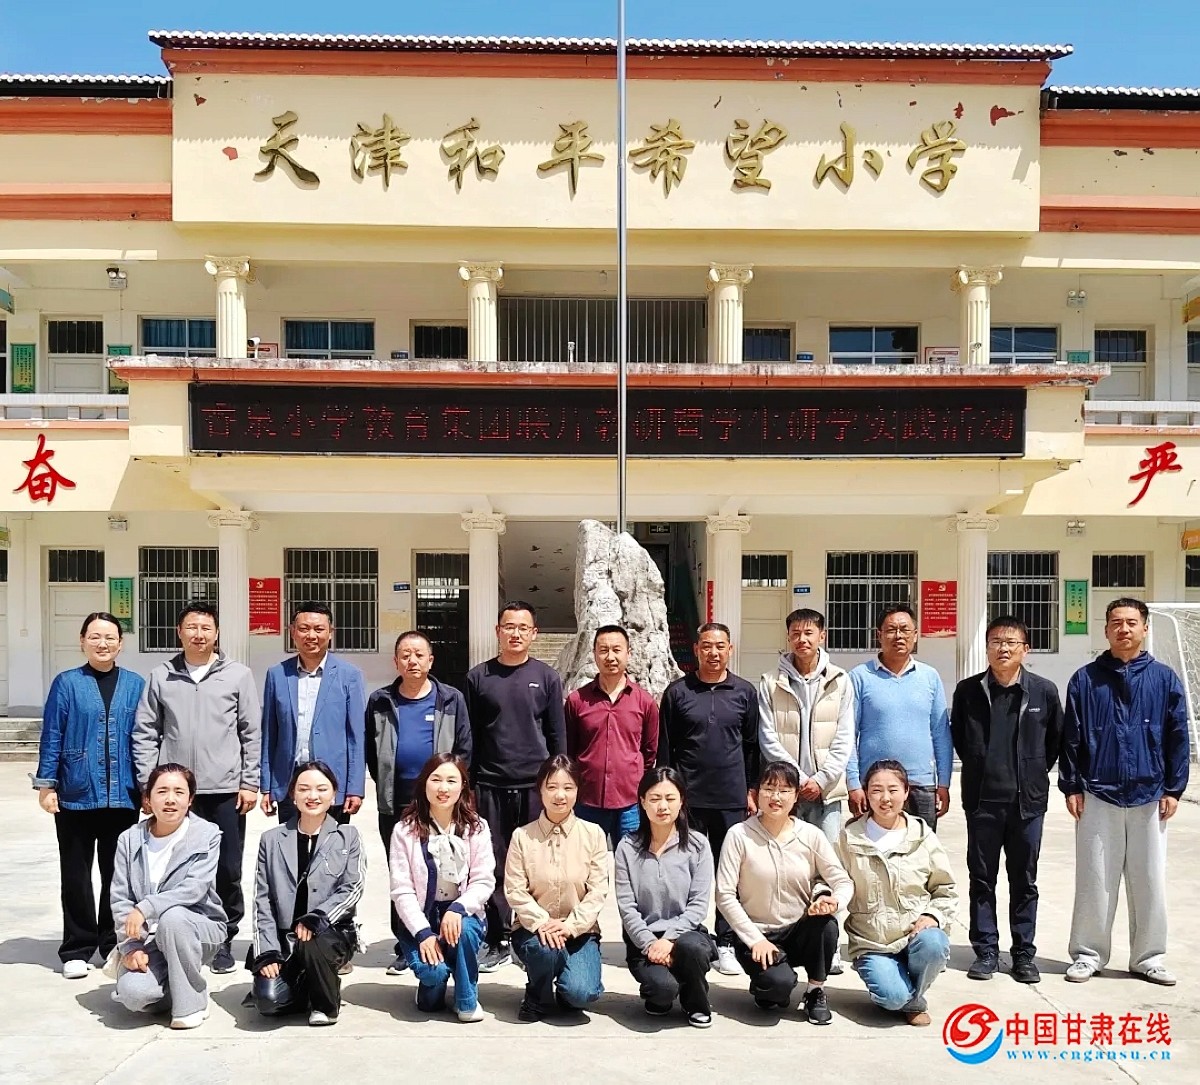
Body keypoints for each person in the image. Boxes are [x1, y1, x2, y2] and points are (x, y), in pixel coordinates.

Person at [1059, 597, 1189, 986]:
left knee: (1149, 880)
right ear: (1106, 630)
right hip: (1098, 793)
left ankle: (1149, 957)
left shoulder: (1164, 679)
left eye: (1132, 622)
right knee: (1094, 880)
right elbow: (1071, 738)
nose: (1124, 629)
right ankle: (1088, 954)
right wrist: (1072, 785)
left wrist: (1174, 788)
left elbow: (1177, 736)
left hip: (1151, 794)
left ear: (1145, 628)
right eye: (1116, 622)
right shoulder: (1085, 680)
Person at [132, 600, 261, 975]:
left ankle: (222, 938)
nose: (199, 634)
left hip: (224, 789)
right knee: (176, 866)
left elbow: (251, 733)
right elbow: (145, 732)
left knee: (227, 868)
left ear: (216, 633)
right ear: (179, 632)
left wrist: (249, 781)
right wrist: (149, 784)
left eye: (206, 628)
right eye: (191, 627)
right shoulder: (162, 676)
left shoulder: (237, 675)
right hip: (175, 793)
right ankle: (176, 935)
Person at [950, 615, 1063, 984]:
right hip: (982, 803)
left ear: (1025, 650)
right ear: (987, 648)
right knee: (982, 879)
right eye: (996, 641)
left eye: (1011, 642)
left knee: (1024, 881)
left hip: (1027, 805)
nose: (1003, 648)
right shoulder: (968, 691)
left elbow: (1054, 742)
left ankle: (1023, 955)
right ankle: (986, 951)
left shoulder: (1043, 692)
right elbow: (960, 740)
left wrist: (1031, 772)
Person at [33, 612, 145, 979]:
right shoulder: (67, 683)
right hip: (76, 793)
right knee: (76, 874)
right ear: (82, 641)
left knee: (118, 875)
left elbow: (144, 738)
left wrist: (147, 787)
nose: (102, 643)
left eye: (110, 637)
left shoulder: (135, 684)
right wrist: (46, 784)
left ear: (120, 644)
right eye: (94, 636)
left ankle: (113, 943)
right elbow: (52, 734)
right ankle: (77, 948)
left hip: (123, 795)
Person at [466, 601, 566, 972]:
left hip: (534, 787)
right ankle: (496, 937)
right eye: (509, 626)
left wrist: (558, 784)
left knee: (535, 864)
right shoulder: (479, 677)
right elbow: (470, 735)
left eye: (523, 627)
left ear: (534, 633)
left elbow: (556, 734)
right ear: (498, 631)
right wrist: (468, 785)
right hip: (490, 783)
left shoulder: (547, 677)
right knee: (492, 862)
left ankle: (529, 935)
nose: (516, 633)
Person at [367, 630, 472, 976]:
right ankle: (406, 943)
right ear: (396, 661)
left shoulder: (451, 699)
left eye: (419, 655)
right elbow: (372, 751)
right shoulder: (381, 701)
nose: (412, 661)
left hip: (441, 803)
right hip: (396, 802)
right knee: (403, 874)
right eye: (405, 655)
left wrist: (448, 789)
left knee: (444, 869)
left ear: (430, 660)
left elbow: (464, 749)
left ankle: (446, 935)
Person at [715, 760, 851, 1025]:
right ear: (757, 794)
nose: (775, 797)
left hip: (797, 930)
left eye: (784, 790)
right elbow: (724, 895)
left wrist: (835, 901)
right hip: (758, 934)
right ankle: (769, 983)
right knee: (776, 989)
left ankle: (815, 991)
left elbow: (842, 881)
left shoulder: (810, 835)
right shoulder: (739, 835)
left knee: (827, 926)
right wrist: (755, 939)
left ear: (796, 796)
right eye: (768, 788)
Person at [658, 622, 759, 976]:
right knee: (685, 872)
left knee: (728, 875)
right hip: (688, 801)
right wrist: (668, 796)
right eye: (706, 646)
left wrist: (751, 789)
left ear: (729, 649)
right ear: (697, 650)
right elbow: (666, 749)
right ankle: (689, 937)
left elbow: (752, 746)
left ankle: (727, 940)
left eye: (720, 646)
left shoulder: (744, 692)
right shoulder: (677, 692)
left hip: (730, 799)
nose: (713, 653)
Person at [757, 606, 855, 973]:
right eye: (796, 633)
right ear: (788, 637)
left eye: (809, 632)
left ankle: (828, 943)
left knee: (828, 867)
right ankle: (792, 937)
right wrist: (798, 781)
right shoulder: (770, 682)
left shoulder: (841, 680)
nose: (802, 639)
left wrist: (823, 778)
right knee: (787, 867)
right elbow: (768, 737)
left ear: (822, 636)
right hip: (786, 793)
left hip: (828, 793)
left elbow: (845, 736)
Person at [837, 759, 958, 1027]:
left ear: (906, 792)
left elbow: (945, 889)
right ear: (866, 793)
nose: (885, 798)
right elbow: (830, 879)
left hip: (915, 936)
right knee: (892, 998)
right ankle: (902, 993)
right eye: (876, 790)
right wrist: (825, 897)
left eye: (893, 790)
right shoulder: (849, 838)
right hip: (873, 942)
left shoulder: (923, 836)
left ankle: (913, 1000)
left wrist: (933, 916)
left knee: (934, 943)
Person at [109, 763, 227, 1030]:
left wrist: (146, 907)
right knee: (134, 996)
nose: (170, 799)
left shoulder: (206, 834)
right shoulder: (129, 839)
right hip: (149, 937)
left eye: (179, 792)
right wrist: (130, 946)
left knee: (173, 918)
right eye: (162, 791)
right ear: (148, 799)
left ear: (190, 799)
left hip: (198, 927)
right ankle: (182, 982)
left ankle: (192, 1005)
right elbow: (120, 897)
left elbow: (194, 889)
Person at [249, 760, 366, 1026]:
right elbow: (262, 900)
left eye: (321, 789)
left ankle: (326, 1004)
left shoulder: (348, 836)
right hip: (285, 940)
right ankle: (306, 985)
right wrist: (266, 951)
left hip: (330, 935)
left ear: (333, 795)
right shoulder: (271, 839)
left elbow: (353, 887)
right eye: (304, 789)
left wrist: (318, 918)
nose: (312, 796)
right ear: (293, 795)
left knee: (313, 939)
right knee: (269, 1002)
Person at [388, 753, 494, 1022]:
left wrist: (459, 908)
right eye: (435, 779)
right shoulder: (404, 830)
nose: (443, 788)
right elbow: (402, 890)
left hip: (461, 913)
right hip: (422, 918)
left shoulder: (476, 828)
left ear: (463, 786)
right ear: (424, 783)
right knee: (433, 980)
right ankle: (431, 987)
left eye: (451, 781)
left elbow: (483, 880)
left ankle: (466, 1000)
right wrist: (423, 932)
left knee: (464, 931)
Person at [504, 755, 608, 1021]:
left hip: (580, 931)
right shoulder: (522, 836)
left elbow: (598, 891)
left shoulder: (593, 834)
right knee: (545, 950)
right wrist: (542, 923)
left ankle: (564, 982)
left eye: (568, 787)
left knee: (581, 994)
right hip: (534, 931)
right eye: (551, 787)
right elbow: (515, 890)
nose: (560, 795)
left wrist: (571, 926)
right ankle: (537, 994)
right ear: (540, 790)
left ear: (577, 790)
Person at [614, 767, 717, 1028]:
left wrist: (670, 939)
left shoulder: (698, 845)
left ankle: (696, 1003)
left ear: (681, 801)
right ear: (642, 802)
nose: (662, 806)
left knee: (692, 948)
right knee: (662, 991)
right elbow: (627, 907)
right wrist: (650, 944)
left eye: (670, 798)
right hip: (644, 940)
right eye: (654, 798)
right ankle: (660, 993)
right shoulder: (627, 847)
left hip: (686, 934)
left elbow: (698, 905)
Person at [260, 602, 367, 824]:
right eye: (304, 629)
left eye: (319, 629)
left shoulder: (349, 676)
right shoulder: (277, 675)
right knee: (291, 842)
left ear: (330, 633)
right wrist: (267, 785)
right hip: (290, 780)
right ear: (293, 632)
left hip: (331, 781)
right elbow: (270, 734)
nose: (311, 635)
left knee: (331, 843)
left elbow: (356, 737)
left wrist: (355, 788)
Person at [847, 605, 952, 828]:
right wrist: (853, 783)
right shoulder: (859, 677)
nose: (898, 636)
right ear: (879, 635)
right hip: (875, 785)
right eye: (891, 630)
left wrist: (943, 782)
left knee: (921, 846)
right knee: (874, 846)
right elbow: (847, 734)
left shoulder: (929, 677)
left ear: (915, 635)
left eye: (905, 629)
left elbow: (941, 733)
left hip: (921, 784)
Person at [565, 624, 659, 848]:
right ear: (594, 654)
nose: (610, 657)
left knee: (631, 860)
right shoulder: (577, 701)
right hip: (587, 799)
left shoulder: (644, 702)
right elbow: (569, 748)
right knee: (585, 860)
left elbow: (649, 752)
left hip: (630, 802)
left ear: (628, 653)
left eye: (617, 650)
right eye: (604, 650)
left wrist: (633, 775)